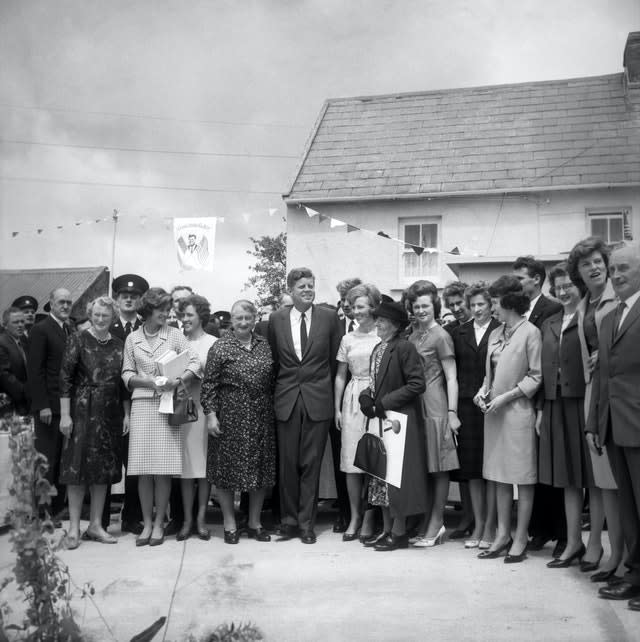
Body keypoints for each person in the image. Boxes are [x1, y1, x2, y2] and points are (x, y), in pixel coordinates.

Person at [267, 267, 341, 544]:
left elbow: (335, 362)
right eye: (302, 287)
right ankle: (288, 522)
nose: (308, 290)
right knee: (287, 464)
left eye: (311, 285)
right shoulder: (276, 319)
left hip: (317, 399)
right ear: (291, 290)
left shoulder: (329, 318)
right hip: (286, 399)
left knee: (311, 464)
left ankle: (307, 524)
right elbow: (274, 361)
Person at [121, 287, 199, 547]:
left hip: (168, 405)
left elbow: (195, 362)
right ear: (148, 311)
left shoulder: (175, 335)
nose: (167, 313)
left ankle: (159, 524)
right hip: (143, 405)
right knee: (143, 470)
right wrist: (147, 381)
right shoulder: (132, 339)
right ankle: (146, 522)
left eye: (168, 308)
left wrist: (178, 380)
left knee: (163, 470)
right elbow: (126, 374)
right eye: (162, 309)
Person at [587, 243, 640, 610]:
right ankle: (634, 574)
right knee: (629, 506)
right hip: (614, 427)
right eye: (614, 269)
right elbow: (604, 378)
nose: (617, 275)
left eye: (625, 269)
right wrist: (593, 423)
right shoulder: (607, 320)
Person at [474, 275, 541, 563]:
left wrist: (506, 397)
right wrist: (482, 391)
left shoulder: (531, 332)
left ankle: (521, 535)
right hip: (494, 415)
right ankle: (502, 534)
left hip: (517, 414)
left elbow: (536, 376)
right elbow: (489, 373)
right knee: (499, 478)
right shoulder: (494, 334)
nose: (492, 308)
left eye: (495, 303)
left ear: (511, 302)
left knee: (522, 478)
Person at [568, 236, 624, 581]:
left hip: (617, 396)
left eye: (598, 260)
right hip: (594, 394)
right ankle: (616, 552)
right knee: (603, 482)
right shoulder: (583, 305)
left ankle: (623, 555)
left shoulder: (619, 299)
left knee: (620, 481)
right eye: (586, 263)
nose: (595, 267)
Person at [202, 300, 276, 544]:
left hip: (260, 415)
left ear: (255, 318)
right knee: (226, 471)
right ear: (231, 321)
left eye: (248, 317)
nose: (243, 322)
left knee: (259, 470)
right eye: (238, 318)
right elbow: (209, 384)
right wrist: (211, 415)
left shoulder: (264, 344)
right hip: (230, 416)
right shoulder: (220, 347)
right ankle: (230, 523)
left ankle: (255, 523)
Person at [536, 263, 594, 568]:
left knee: (595, 480)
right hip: (555, 403)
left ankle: (596, 545)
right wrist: (541, 408)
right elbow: (543, 369)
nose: (562, 291)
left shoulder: (592, 315)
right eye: (557, 286)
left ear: (579, 284)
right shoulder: (550, 322)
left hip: (584, 402)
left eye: (567, 284)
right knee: (568, 478)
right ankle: (574, 543)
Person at [58, 297, 128, 550]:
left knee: (103, 471)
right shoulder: (77, 339)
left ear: (113, 318)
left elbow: (123, 384)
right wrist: (65, 415)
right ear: (90, 314)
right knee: (76, 471)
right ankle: (75, 527)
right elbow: (64, 379)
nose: (100, 320)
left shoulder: (119, 345)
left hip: (110, 413)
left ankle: (96, 525)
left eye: (105, 316)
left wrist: (127, 414)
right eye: (97, 315)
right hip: (81, 411)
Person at [358, 301, 428, 551]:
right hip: (381, 420)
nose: (377, 322)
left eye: (382, 320)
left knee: (396, 477)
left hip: (399, 420)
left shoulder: (404, 347)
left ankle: (399, 533)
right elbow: (376, 382)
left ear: (395, 325)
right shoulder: (379, 347)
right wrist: (366, 396)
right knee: (381, 477)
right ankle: (387, 529)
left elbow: (417, 384)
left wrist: (384, 402)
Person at [513, 255, 566, 556]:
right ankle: (539, 529)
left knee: (552, 469)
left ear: (536, 278)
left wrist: (544, 404)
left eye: (521, 278)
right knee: (529, 471)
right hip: (519, 401)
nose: (517, 284)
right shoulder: (518, 312)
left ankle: (561, 533)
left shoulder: (553, 309)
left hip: (545, 399)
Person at [406, 281, 460, 547]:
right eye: (416, 305)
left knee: (439, 467)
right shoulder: (414, 335)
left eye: (425, 305)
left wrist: (452, 412)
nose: (420, 309)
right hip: (415, 406)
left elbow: (451, 377)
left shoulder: (441, 336)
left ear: (435, 306)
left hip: (436, 404)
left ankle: (437, 522)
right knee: (424, 468)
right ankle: (427, 520)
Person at [450, 282, 501, 548]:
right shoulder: (459, 332)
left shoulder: (501, 330)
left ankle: (491, 527)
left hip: (492, 406)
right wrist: (453, 411)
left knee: (491, 470)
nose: (477, 309)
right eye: (473, 305)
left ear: (491, 304)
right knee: (472, 470)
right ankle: (479, 524)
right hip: (466, 408)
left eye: (482, 304)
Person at [334, 283, 381, 541]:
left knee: (374, 462)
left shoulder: (382, 334)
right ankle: (355, 515)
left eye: (361, 307)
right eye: (353, 308)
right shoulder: (347, 338)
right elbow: (340, 375)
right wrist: (337, 409)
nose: (356, 312)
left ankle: (372, 516)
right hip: (352, 399)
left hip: (377, 400)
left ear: (373, 307)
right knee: (351, 463)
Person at [107, 273, 149, 536]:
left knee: (135, 463)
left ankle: (131, 516)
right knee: (106, 462)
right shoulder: (105, 326)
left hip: (140, 405)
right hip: (108, 406)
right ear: (117, 299)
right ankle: (99, 518)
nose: (129, 300)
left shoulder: (148, 328)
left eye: (134, 297)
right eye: (125, 296)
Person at [27, 288, 74, 520]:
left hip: (66, 407)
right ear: (51, 304)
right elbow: (35, 371)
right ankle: (42, 512)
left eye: (69, 302)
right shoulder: (41, 330)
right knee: (46, 461)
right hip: (48, 408)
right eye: (61, 302)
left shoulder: (68, 329)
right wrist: (42, 405)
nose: (65, 306)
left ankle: (57, 508)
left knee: (62, 461)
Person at [177, 294, 217, 541]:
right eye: (183, 315)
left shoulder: (213, 342)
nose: (185, 319)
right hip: (181, 407)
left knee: (203, 467)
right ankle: (186, 520)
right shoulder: (176, 341)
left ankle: (201, 519)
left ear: (200, 316)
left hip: (204, 408)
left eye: (190, 314)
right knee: (185, 467)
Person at [330, 277, 363, 534]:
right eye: (344, 300)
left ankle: (370, 515)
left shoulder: (376, 327)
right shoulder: (333, 325)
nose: (348, 305)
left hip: (371, 400)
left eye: (353, 300)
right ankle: (345, 512)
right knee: (344, 460)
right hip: (342, 401)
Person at [0, 307, 30, 416]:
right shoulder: (2, 343)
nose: (20, 325)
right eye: (16, 322)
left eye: (22, 321)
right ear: (5, 325)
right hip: (13, 404)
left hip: (28, 402)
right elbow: (4, 375)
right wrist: (25, 392)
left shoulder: (23, 340)